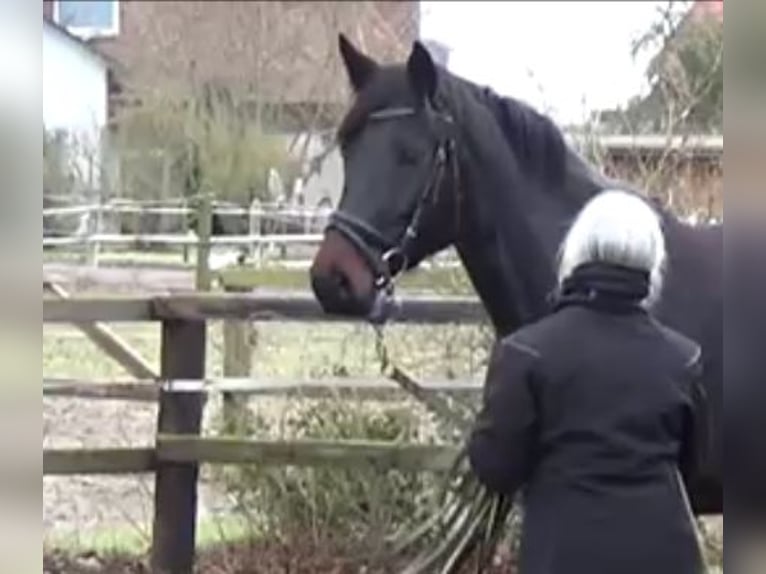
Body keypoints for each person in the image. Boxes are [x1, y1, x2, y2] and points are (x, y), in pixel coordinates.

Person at [467, 189, 709, 574]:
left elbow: (496, 467)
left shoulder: (527, 353)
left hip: (563, 555)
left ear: (575, 253)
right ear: (653, 261)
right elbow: (692, 465)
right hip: (666, 557)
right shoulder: (682, 358)